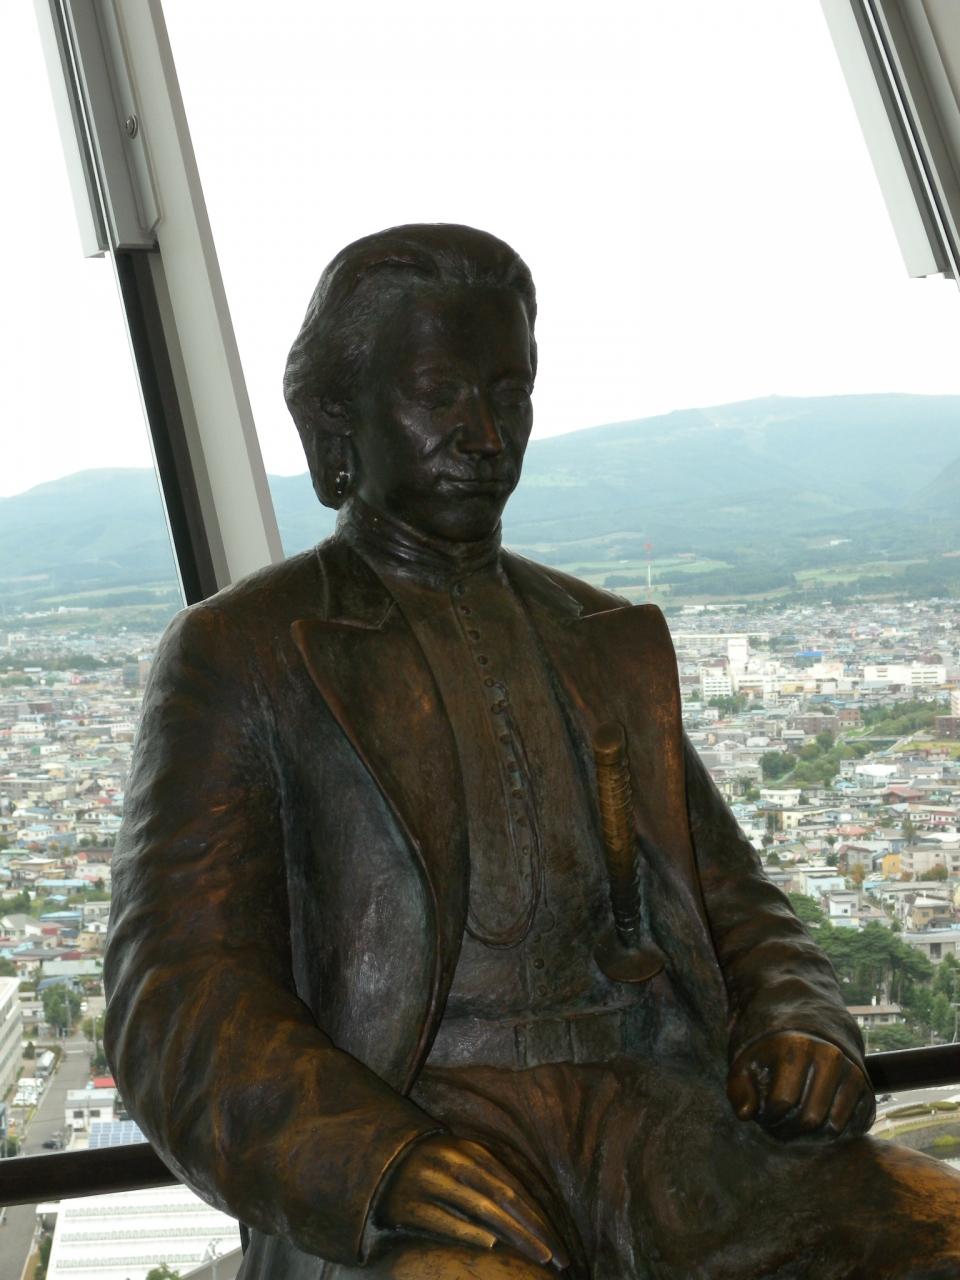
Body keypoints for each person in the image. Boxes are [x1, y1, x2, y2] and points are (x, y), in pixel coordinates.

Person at [104, 224, 960, 1280]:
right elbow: (178, 995)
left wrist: (803, 1023)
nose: (483, 434)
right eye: (438, 394)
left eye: (509, 395)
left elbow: (738, 904)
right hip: (424, 1132)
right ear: (335, 423)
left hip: (668, 1129)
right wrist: (375, 1160)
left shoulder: (603, 638)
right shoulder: (242, 651)